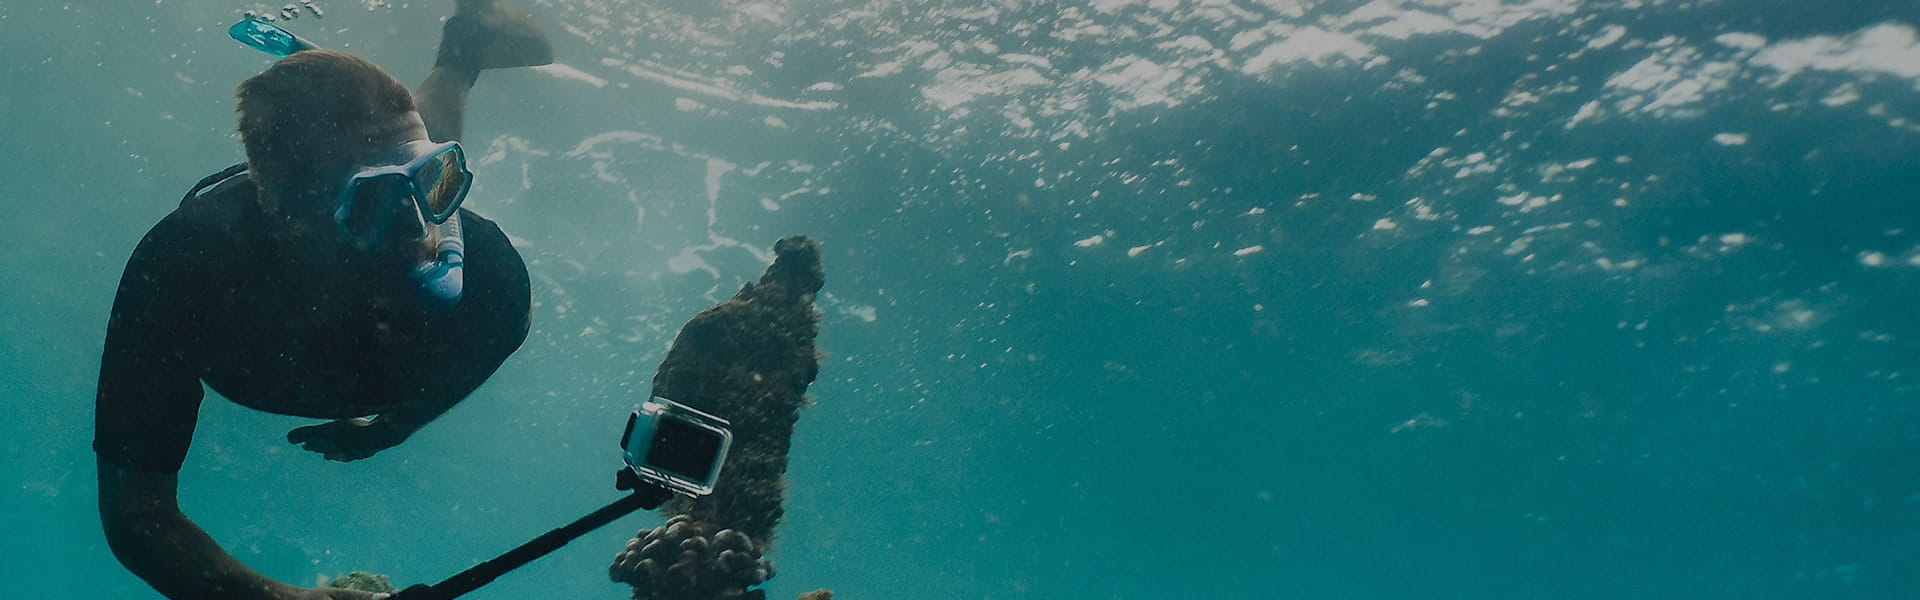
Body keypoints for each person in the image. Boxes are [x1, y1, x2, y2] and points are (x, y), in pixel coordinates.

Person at [94, 1, 552, 598]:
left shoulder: (490, 274)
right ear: (285, 216)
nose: (420, 230)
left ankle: (460, 54)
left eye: (437, 179)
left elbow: (500, 339)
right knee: (395, 160)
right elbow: (136, 513)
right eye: (375, 204)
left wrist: (399, 425)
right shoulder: (184, 273)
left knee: (408, 153)